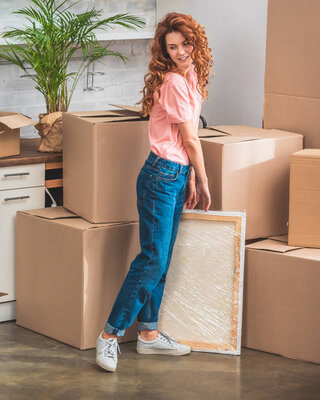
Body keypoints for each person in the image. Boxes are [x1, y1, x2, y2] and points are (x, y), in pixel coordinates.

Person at [95, 12, 213, 372]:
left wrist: (190, 178)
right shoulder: (174, 83)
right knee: (153, 259)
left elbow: (184, 137)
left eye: (185, 44)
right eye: (172, 47)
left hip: (176, 176)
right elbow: (190, 139)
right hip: (160, 177)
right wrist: (205, 180)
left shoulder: (192, 75)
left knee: (161, 258)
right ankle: (110, 336)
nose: (179, 52)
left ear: (196, 42)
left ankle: (148, 335)